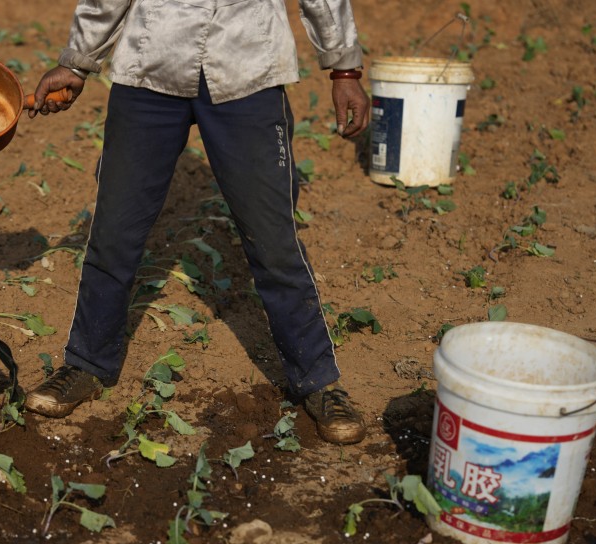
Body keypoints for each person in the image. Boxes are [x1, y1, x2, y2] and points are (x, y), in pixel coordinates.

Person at [25, 0, 371, 445]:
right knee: (114, 232)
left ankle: (319, 380)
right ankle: (86, 364)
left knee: (273, 242)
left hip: (248, 69)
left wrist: (344, 70)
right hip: (152, 66)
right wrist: (76, 62)